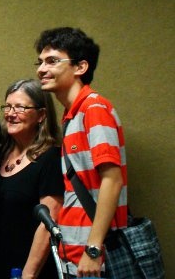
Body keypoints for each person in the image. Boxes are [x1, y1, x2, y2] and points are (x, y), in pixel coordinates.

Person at [34, 27, 128, 278]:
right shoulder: (72, 114)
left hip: (95, 259)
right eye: (40, 62)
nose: (41, 69)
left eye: (52, 61)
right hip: (76, 256)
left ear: (80, 67)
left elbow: (112, 180)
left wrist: (94, 249)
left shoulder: (94, 108)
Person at [0, 79, 64, 279]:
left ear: (41, 115)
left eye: (20, 107)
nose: (11, 114)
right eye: (8, 106)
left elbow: (48, 225)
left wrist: (28, 275)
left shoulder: (51, 159)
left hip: (28, 270)